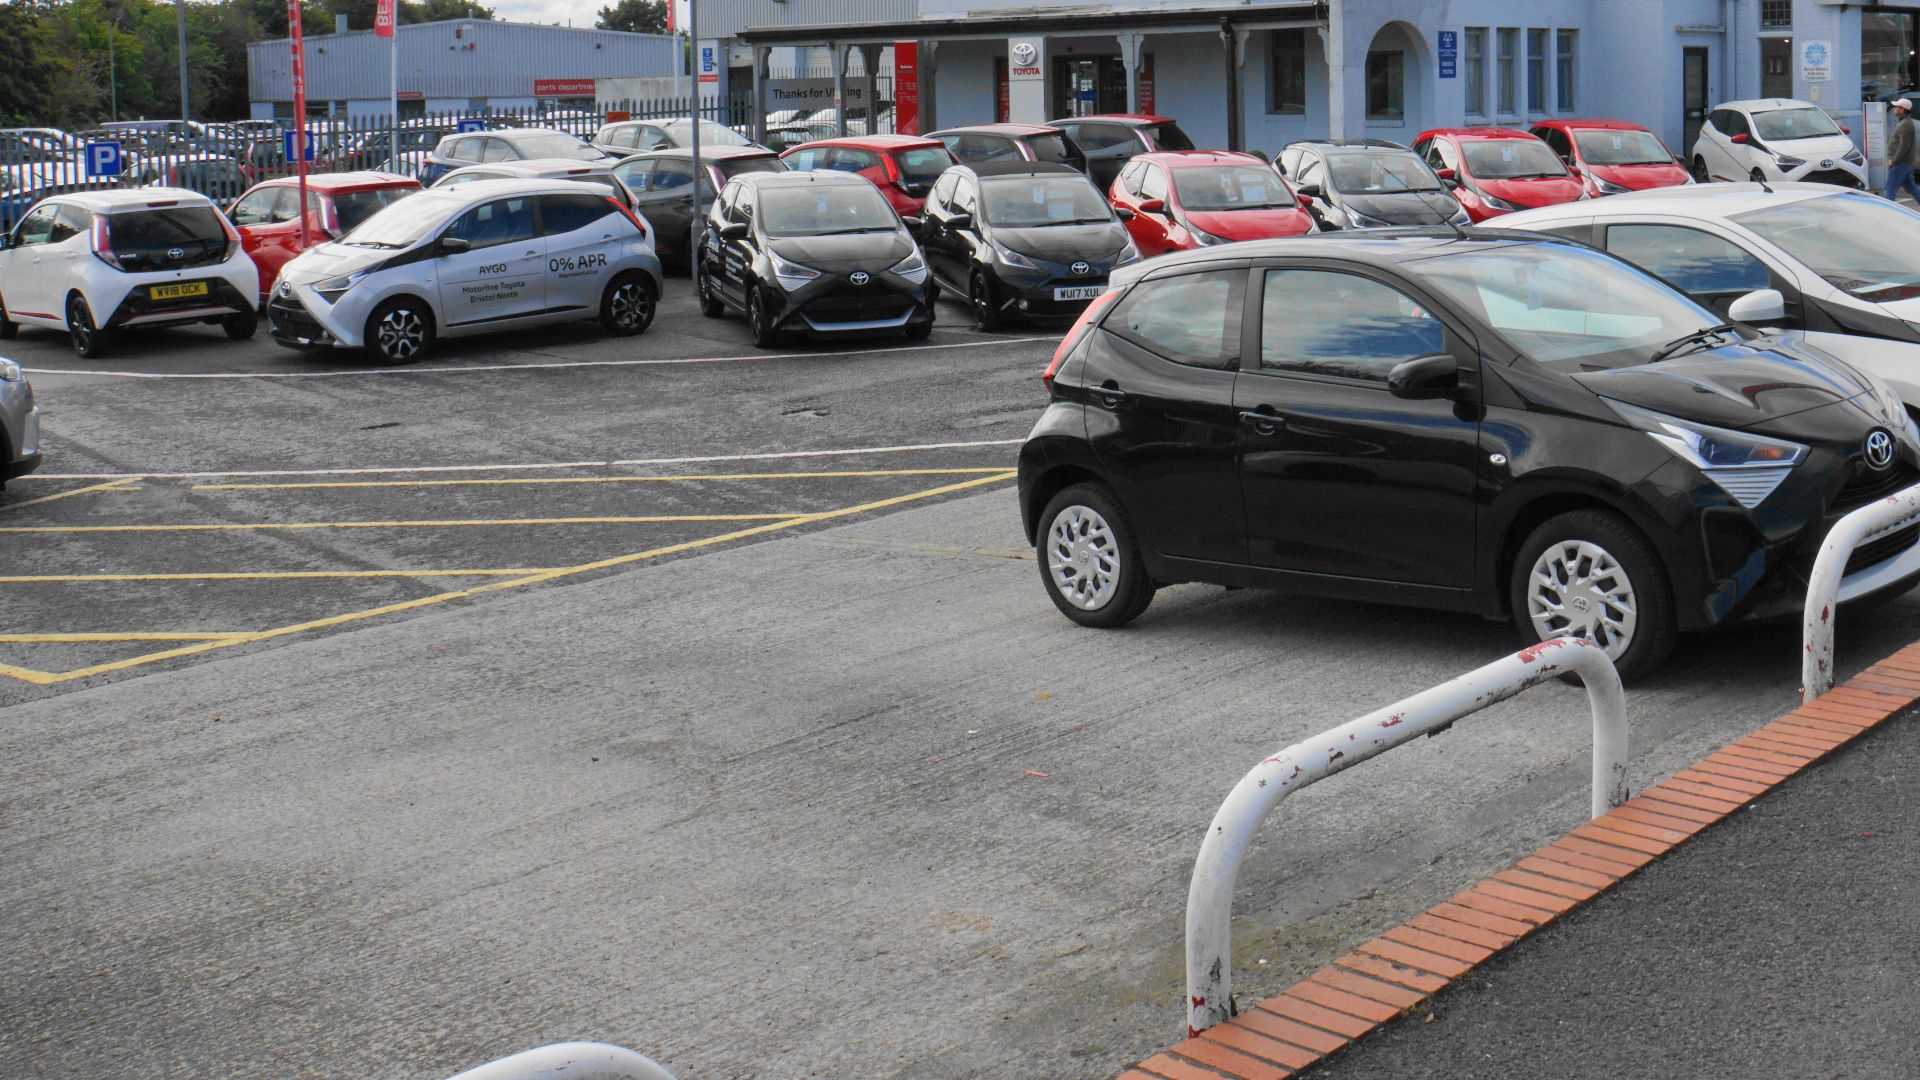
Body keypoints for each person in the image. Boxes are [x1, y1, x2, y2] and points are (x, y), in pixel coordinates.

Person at [1883, 98, 1920, 204]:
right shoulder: (1903, 122)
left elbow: (1904, 146)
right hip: (1904, 163)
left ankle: (1887, 212)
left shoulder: (1905, 124)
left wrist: (1893, 161)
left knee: (1890, 189)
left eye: (1897, 107)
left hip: (1900, 163)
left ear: (1903, 109)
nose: (1894, 109)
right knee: (1912, 188)